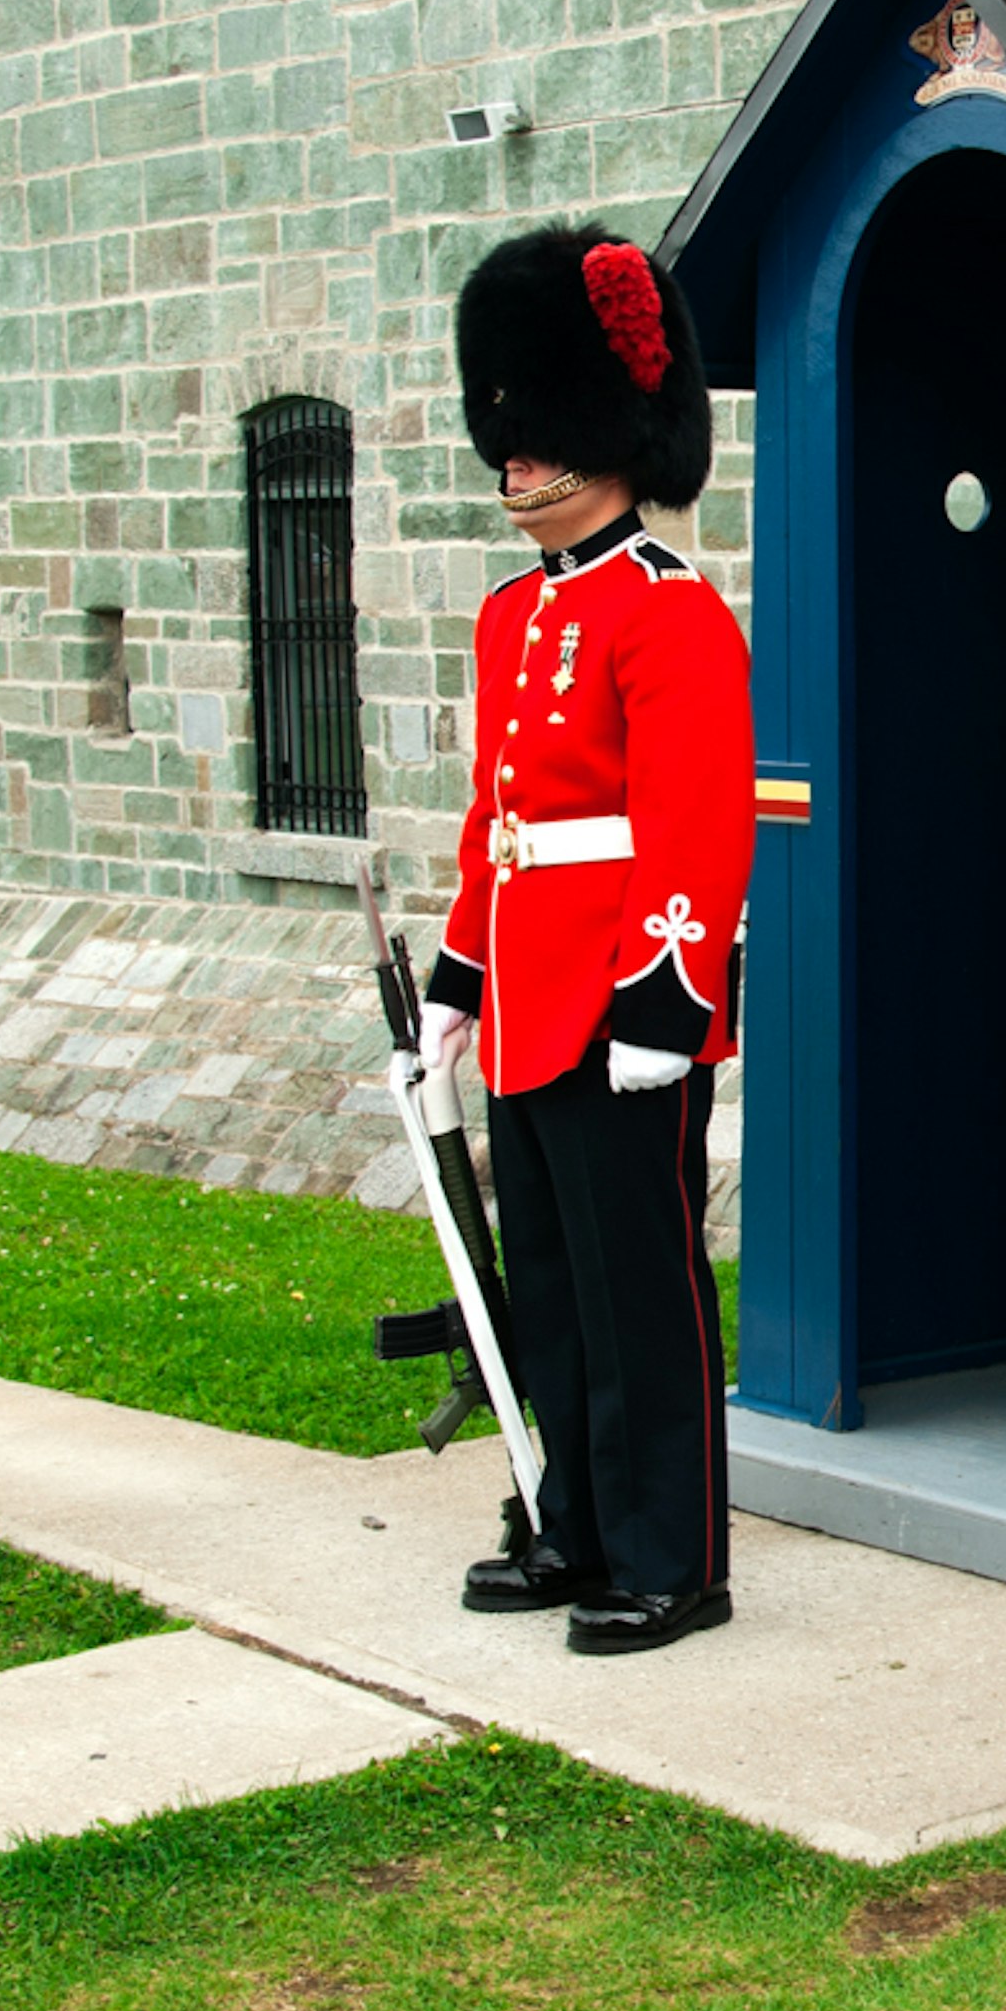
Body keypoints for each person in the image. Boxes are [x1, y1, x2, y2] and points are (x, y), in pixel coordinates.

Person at [415, 220, 752, 1656]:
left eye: (538, 432)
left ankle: (673, 1557)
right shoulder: (509, 615)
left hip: (624, 1002)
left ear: (609, 436)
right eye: (508, 433)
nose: (516, 462)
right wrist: (456, 973)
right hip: (531, 995)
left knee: (643, 1295)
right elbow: (500, 820)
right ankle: (575, 1522)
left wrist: (666, 997)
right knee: (550, 1285)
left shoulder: (671, 614)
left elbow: (694, 824)